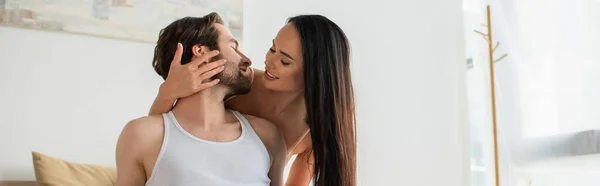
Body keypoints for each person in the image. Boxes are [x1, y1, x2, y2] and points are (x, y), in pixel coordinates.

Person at [149, 15, 356, 186]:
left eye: (284, 61)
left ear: (314, 75)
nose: (269, 61)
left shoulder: (318, 122)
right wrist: (167, 92)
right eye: (272, 49)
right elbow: (161, 135)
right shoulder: (241, 85)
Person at [116, 13, 286, 186]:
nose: (247, 60)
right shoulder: (142, 135)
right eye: (233, 47)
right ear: (201, 52)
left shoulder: (267, 136)